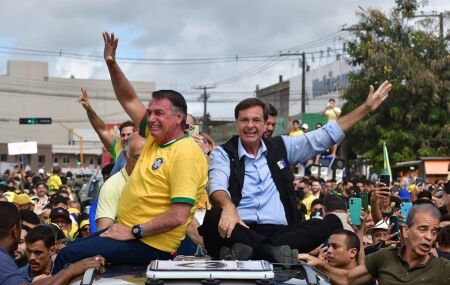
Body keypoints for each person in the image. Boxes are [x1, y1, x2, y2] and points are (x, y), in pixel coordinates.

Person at [51, 32, 208, 273]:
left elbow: (178, 216)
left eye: (159, 114)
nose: (150, 118)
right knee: (67, 250)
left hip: (149, 244)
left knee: (67, 257)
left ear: (179, 118)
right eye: (150, 112)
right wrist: (112, 63)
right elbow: (129, 98)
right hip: (130, 234)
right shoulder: (157, 139)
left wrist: (133, 231)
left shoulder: (185, 153)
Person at [199, 79, 392, 262]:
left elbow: (325, 136)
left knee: (328, 222)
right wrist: (228, 207)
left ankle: (255, 251)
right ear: (237, 123)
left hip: (281, 234)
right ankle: (270, 252)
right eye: (244, 120)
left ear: (265, 124)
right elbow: (217, 185)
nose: (250, 126)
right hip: (238, 228)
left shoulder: (281, 147)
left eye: (256, 120)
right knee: (213, 218)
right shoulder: (223, 153)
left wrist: (365, 108)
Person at [321, 203, 450, 284]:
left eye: (434, 232)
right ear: (405, 231)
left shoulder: (444, 268)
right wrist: (317, 264)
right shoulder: (385, 257)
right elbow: (348, 279)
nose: (429, 237)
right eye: (423, 229)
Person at [0, 201, 105, 285]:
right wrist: (71, 271)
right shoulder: (4, 262)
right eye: (29, 251)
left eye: (38, 252)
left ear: (52, 250)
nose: (32, 257)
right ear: (14, 230)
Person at [79, 87, 136, 175]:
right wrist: (88, 109)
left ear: (137, 135)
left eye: (129, 135)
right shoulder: (117, 147)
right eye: (123, 135)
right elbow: (101, 130)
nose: (125, 138)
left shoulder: (145, 147)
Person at [96, 132, 146, 230]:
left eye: (149, 157)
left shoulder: (159, 178)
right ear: (125, 155)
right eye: (138, 157)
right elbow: (103, 230)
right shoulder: (112, 186)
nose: (144, 162)